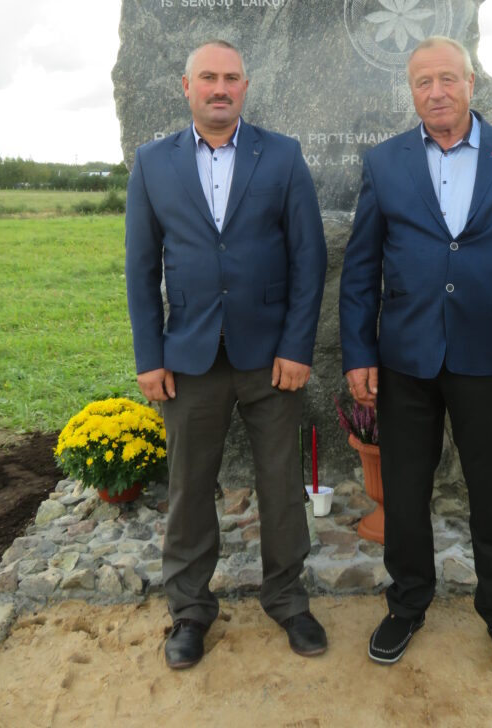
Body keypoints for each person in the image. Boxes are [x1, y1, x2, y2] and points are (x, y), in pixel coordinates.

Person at [339, 35, 492, 684]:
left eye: (447, 78)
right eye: (423, 82)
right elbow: (361, 269)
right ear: (411, 91)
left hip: (490, 357)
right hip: (405, 358)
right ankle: (407, 603)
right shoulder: (385, 162)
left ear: (471, 83)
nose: (436, 92)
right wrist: (359, 351)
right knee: (405, 489)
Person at [125, 40, 328, 669]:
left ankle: (288, 600)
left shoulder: (283, 155)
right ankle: (189, 611)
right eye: (208, 77)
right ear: (186, 87)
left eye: (231, 77)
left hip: (270, 357)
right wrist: (149, 356)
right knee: (189, 487)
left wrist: (297, 345)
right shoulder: (152, 163)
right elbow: (140, 268)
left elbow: (309, 258)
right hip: (188, 356)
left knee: (280, 484)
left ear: (245, 87)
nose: (220, 87)